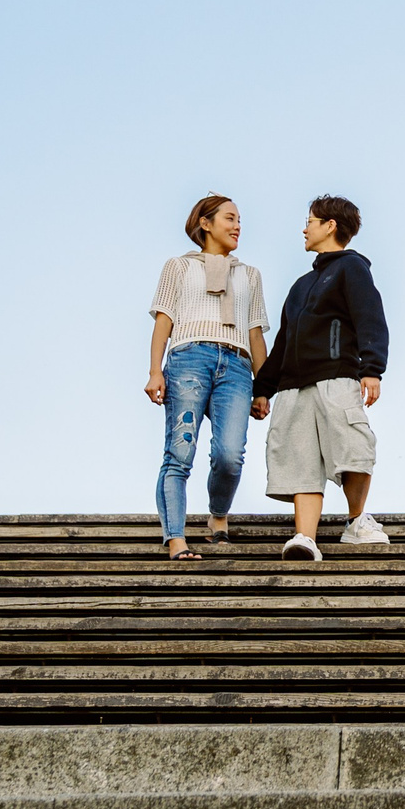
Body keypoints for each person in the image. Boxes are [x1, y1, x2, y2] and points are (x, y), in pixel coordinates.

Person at [254, 195, 389, 560]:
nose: (304, 229)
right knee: (300, 461)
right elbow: (283, 342)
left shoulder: (352, 268)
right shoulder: (300, 286)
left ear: (330, 226)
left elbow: (369, 316)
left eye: (310, 222)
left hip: (336, 378)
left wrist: (372, 368)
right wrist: (263, 388)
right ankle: (305, 538)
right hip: (293, 388)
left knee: (354, 448)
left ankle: (357, 522)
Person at [145, 194, 268, 560]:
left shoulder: (250, 275)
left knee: (230, 455)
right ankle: (177, 540)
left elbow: (256, 333)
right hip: (189, 359)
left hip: (237, 365)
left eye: (239, 220)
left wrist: (263, 387)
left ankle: (218, 515)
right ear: (205, 223)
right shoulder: (179, 266)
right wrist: (155, 371)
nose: (237, 226)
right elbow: (164, 320)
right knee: (179, 452)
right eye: (230, 218)